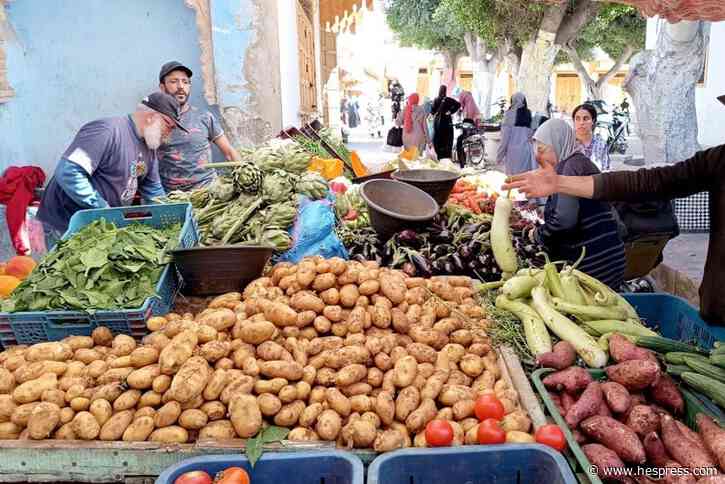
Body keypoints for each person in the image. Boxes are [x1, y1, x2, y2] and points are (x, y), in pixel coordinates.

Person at [503, 94, 725, 325]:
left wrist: (539, 230)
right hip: (714, 304)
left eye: (542, 147)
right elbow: (650, 182)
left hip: (593, 266)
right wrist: (558, 183)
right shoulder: (718, 160)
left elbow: (564, 221)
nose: (538, 154)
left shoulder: (572, 165)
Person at [37, 92, 185, 249]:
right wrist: (102, 208)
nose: (169, 134)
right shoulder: (107, 131)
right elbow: (68, 172)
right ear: (151, 117)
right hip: (64, 225)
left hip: (98, 227)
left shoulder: (150, 147)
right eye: (169, 126)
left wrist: (170, 216)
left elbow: (153, 190)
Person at [529, 119, 626, 289]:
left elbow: (564, 221)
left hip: (592, 270)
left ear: (558, 143)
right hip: (613, 261)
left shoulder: (568, 170)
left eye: (543, 150)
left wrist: (537, 235)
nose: (539, 158)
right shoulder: (583, 162)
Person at [157, 61, 239, 192]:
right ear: (162, 87)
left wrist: (245, 176)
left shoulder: (204, 117)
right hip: (172, 198)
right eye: (174, 81)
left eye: (185, 82)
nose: (180, 86)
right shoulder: (153, 122)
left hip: (208, 194)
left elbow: (228, 152)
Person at [497, 92, 536, 175]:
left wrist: (499, 156)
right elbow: (531, 135)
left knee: (513, 180)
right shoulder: (528, 113)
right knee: (524, 179)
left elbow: (504, 139)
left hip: (513, 153)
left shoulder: (509, 114)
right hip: (526, 152)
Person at [573, 103, 610, 171]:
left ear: (593, 121)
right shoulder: (568, 143)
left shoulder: (601, 144)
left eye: (586, 118)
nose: (581, 123)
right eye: (577, 119)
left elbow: (605, 170)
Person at [431, 86, 461, 160]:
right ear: (445, 91)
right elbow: (458, 104)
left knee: (438, 138)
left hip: (438, 123)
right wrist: (450, 111)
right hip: (447, 122)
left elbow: (432, 112)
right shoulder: (448, 99)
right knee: (447, 139)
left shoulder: (436, 100)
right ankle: (446, 156)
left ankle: (439, 156)